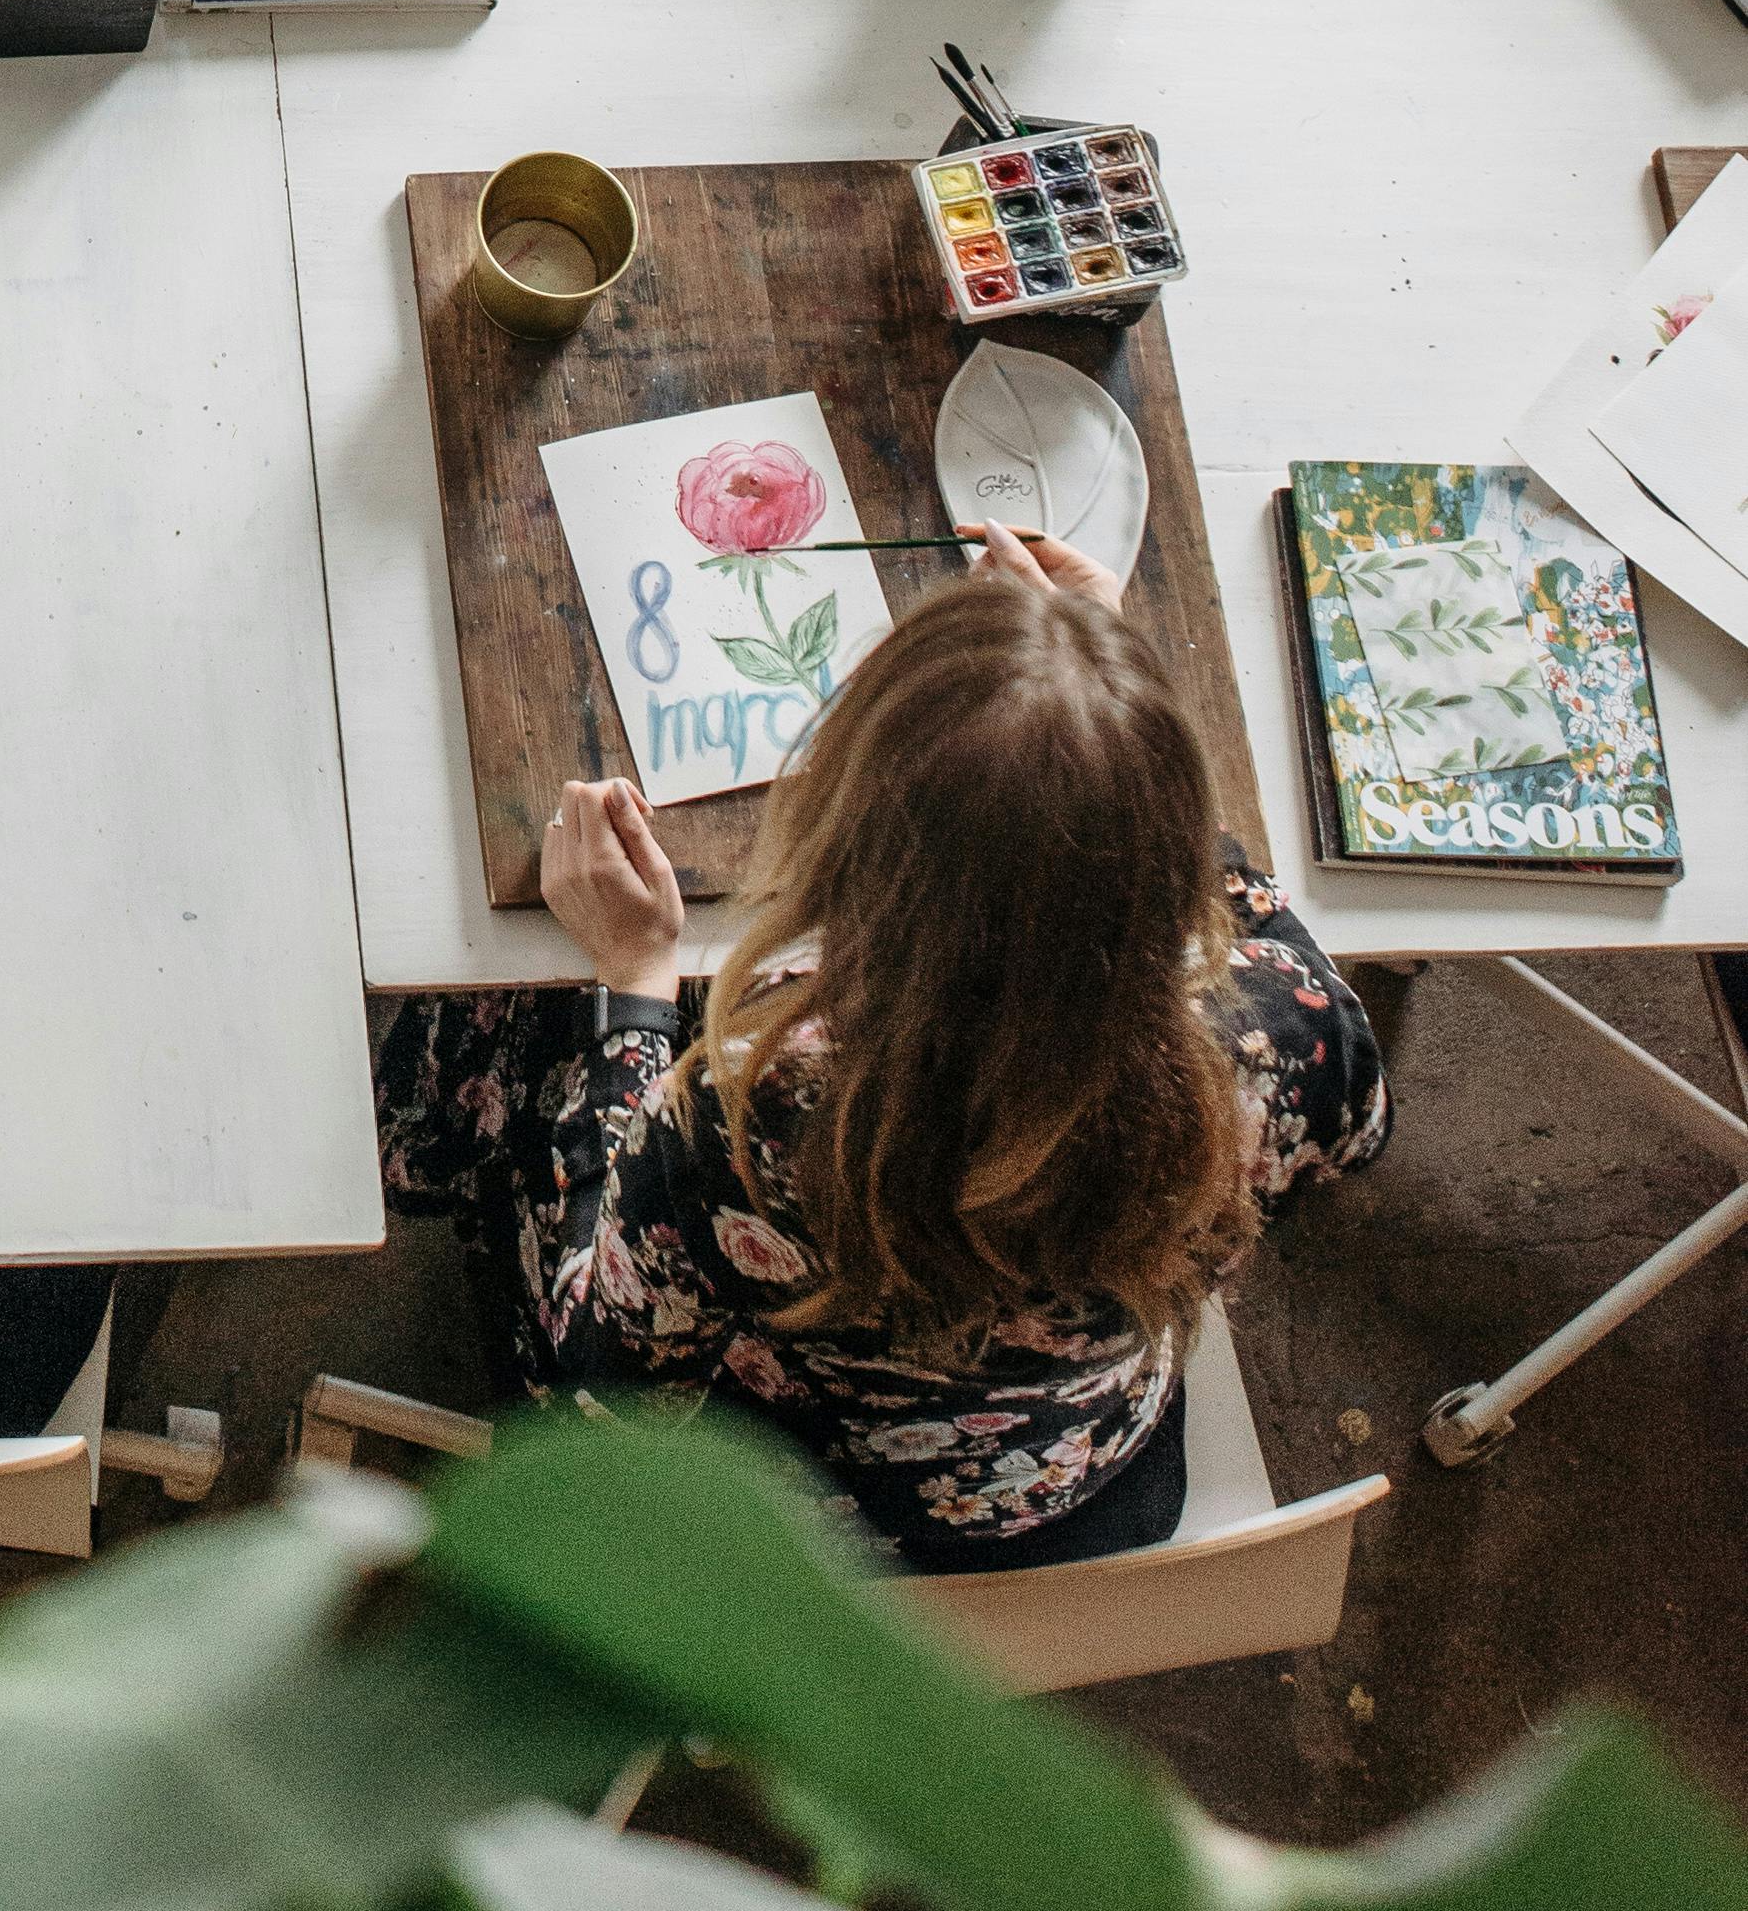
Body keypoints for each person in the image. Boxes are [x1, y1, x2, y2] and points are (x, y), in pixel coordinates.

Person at [374, 534, 1388, 1561]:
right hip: (1079, 1478)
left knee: (518, 1039)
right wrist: (1108, 738)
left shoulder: (766, 1111)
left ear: (856, 859)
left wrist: (636, 979)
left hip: (802, 1534)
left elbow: (601, 1378)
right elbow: (1360, 1117)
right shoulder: (1280, 1039)